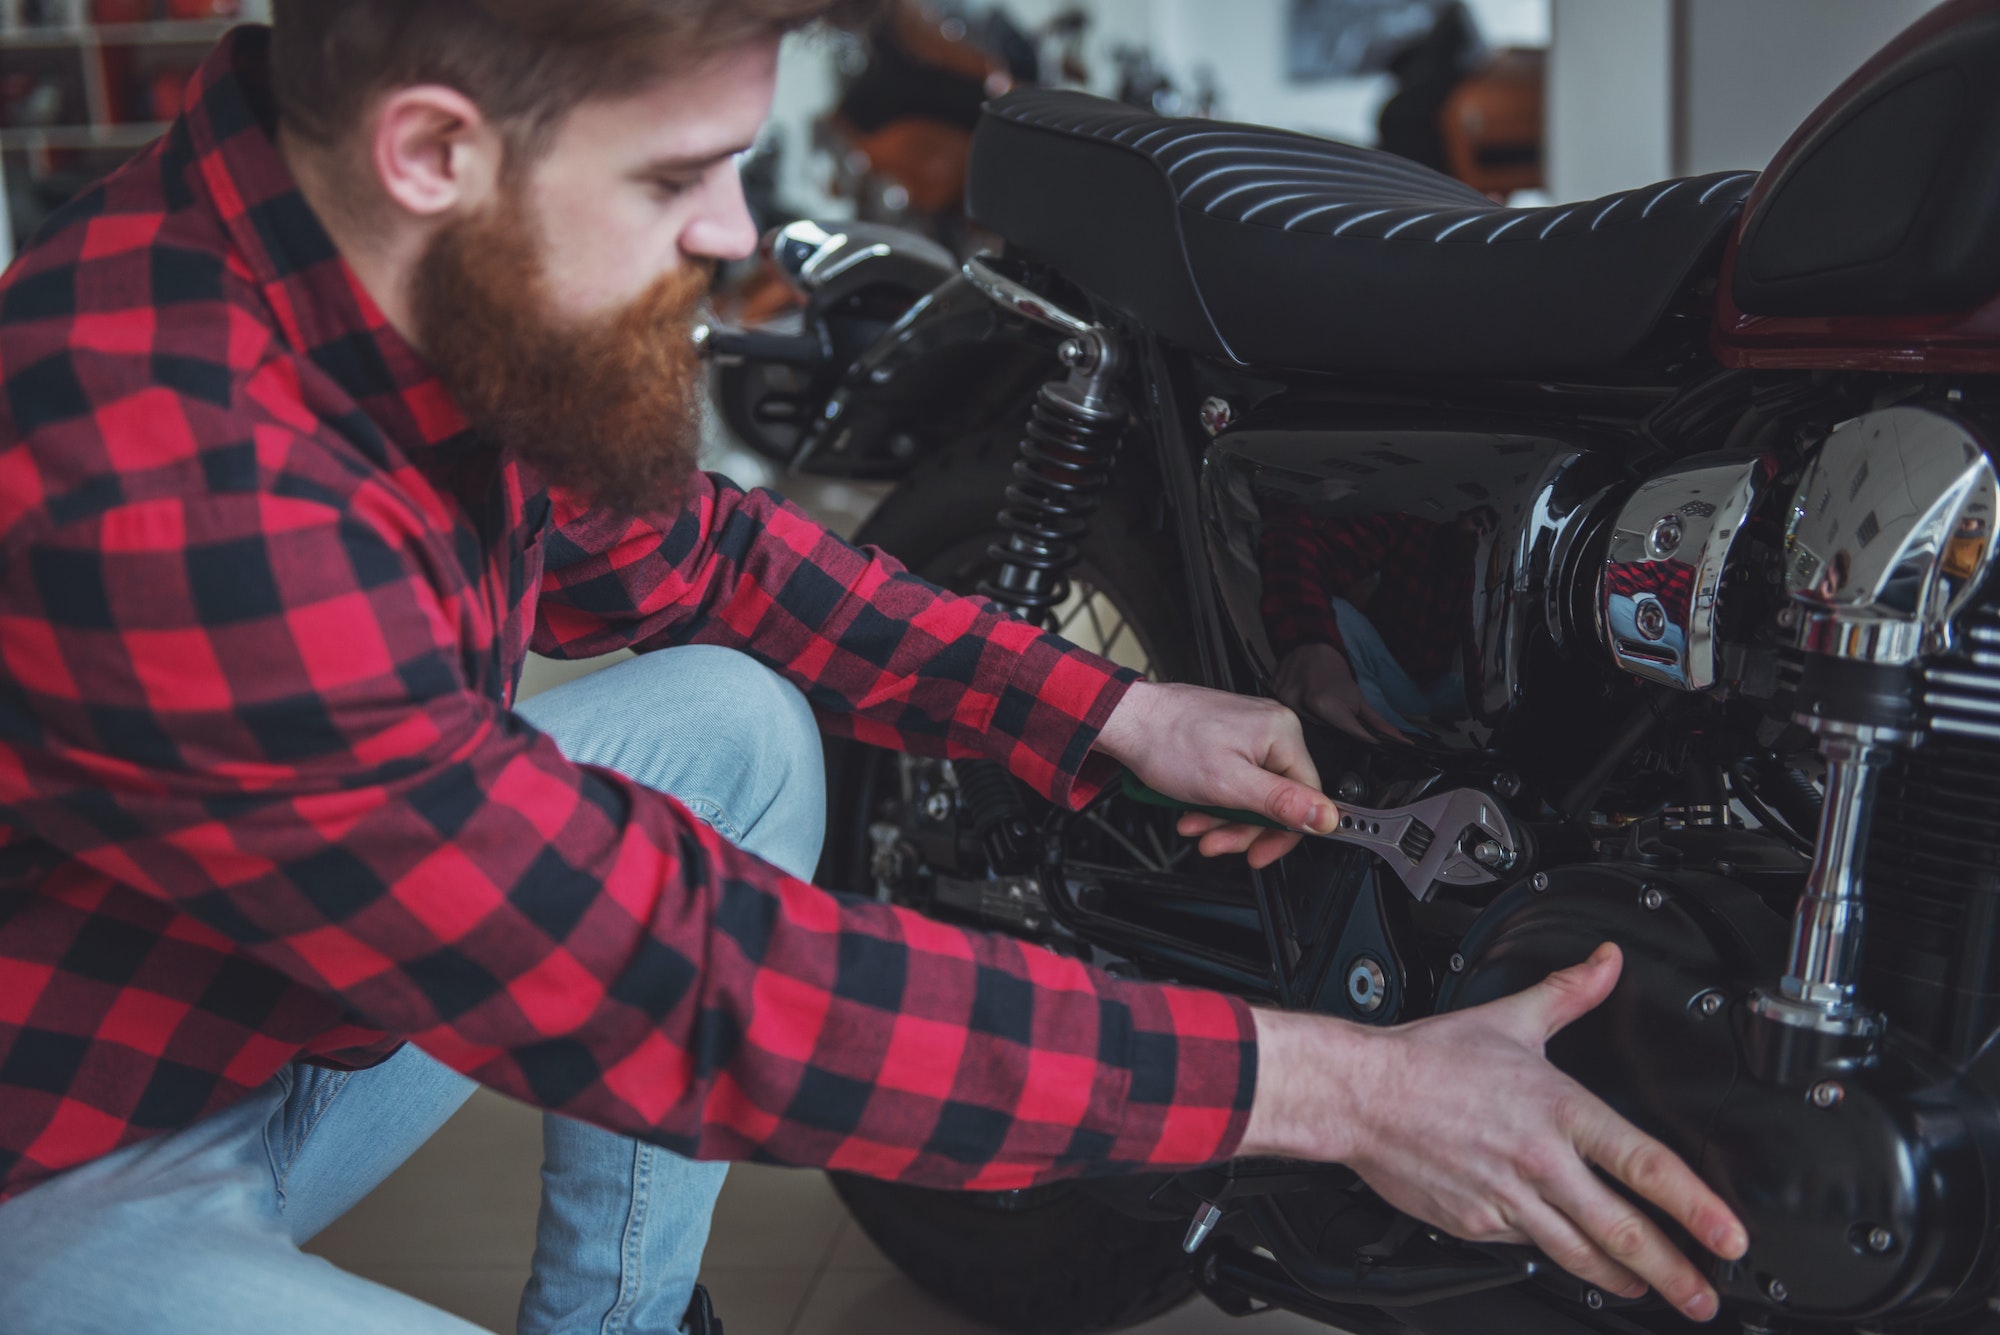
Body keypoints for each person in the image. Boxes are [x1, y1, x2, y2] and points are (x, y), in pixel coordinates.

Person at [0, 3, 1747, 1331]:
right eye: (679, 175)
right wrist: (1344, 1093)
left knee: (734, 720)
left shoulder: (399, 275)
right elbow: (691, 985)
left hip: (285, 993)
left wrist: (1111, 708)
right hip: (79, 1145)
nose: (737, 234)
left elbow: (710, 558)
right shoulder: (169, 471)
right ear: (434, 153)